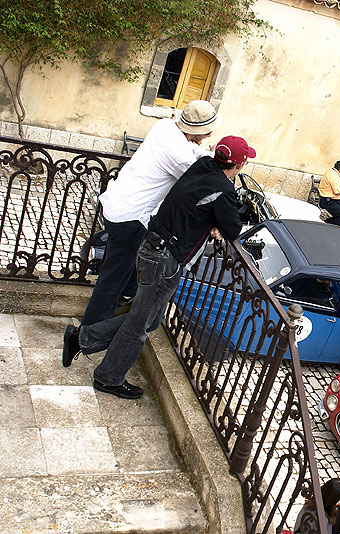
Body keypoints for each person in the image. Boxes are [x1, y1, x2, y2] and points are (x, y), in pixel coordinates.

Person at [62, 136, 251, 398]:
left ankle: (82, 339)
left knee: (149, 320)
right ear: (239, 165)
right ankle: (108, 377)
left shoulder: (202, 165)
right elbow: (233, 228)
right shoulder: (224, 190)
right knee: (139, 326)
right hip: (166, 260)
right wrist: (217, 224)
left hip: (152, 246)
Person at [79, 100, 217, 327]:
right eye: (206, 131)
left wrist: (208, 156)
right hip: (130, 218)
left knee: (134, 259)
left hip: (117, 205)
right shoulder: (178, 157)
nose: (209, 135)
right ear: (200, 131)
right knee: (112, 278)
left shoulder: (165, 127)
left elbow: (194, 151)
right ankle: (89, 332)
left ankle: (125, 297)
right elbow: (199, 182)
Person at [319, 160, 340, 227]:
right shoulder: (333, 176)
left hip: (335, 199)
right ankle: (339, 228)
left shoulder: (333, 172)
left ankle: (330, 222)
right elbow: (338, 192)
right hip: (327, 200)